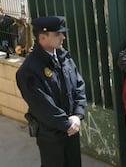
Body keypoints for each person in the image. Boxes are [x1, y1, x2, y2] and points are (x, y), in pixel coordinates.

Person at [16, 16, 86, 167]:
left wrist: (77, 115)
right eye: (58, 34)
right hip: (51, 136)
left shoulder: (63, 57)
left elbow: (79, 84)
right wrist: (66, 123)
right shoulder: (29, 70)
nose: (63, 37)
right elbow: (41, 105)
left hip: (71, 128)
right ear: (42, 37)